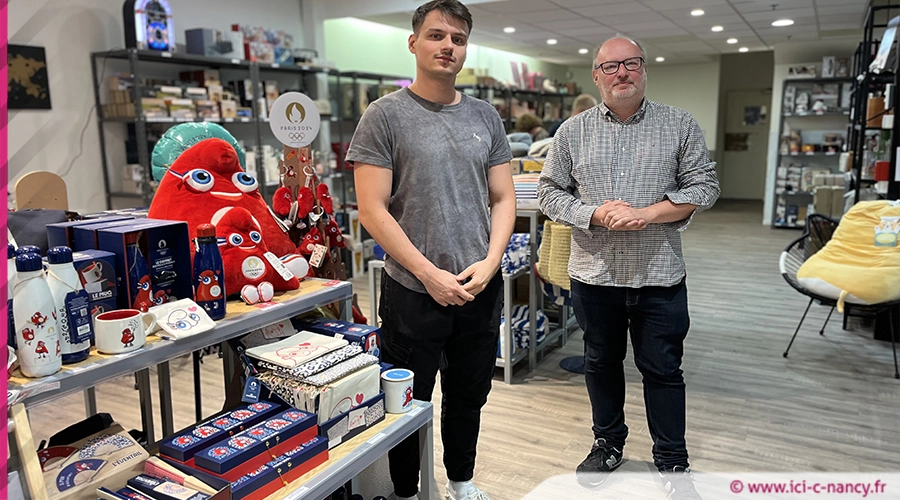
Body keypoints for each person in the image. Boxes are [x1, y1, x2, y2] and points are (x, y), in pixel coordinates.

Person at [537, 35, 720, 500]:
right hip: (594, 277)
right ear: (596, 75)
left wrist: (647, 213)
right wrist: (595, 214)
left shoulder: (679, 124)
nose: (622, 73)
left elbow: (705, 185)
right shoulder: (571, 131)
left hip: (659, 274)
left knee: (663, 369)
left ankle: (672, 463)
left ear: (644, 69)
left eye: (631, 63)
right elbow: (548, 193)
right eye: (611, 66)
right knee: (601, 362)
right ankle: (607, 443)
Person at [346, 1, 516, 499]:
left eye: (458, 39)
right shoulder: (384, 116)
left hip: (477, 288)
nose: (448, 46)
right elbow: (373, 210)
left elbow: (504, 197)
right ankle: (405, 491)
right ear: (414, 42)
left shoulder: (485, 117)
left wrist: (490, 263)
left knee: (468, 396)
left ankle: (461, 482)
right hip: (412, 292)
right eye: (437, 35)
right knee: (406, 400)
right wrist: (428, 274)